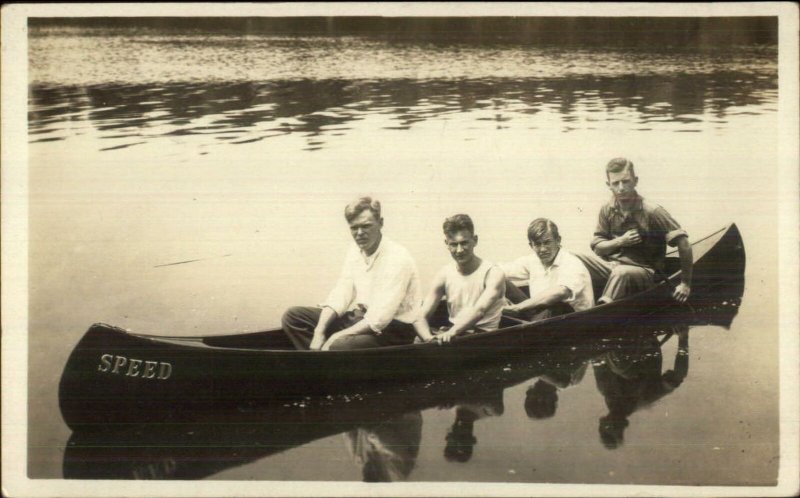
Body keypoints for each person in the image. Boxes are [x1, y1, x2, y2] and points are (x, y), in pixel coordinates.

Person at [281, 196, 421, 351]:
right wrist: (319, 332)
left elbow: (379, 318)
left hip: (393, 331)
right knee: (293, 317)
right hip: (362, 317)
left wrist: (336, 336)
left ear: (380, 223)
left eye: (366, 226)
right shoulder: (355, 249)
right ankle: (322, 364)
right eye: (354, 228)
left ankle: (324, 365)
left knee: (338, 345)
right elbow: (342, 293)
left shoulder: (398, 257)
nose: (359, 233)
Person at [583, 157, 692, 304]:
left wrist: (685, 284)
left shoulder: (652, 211)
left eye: (626, 181)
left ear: (636, 181)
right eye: (616, 183)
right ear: (609, 185)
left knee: (621, 273)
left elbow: (684, 243)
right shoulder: (606, 209)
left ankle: (601, 310)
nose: (621, 187)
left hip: (645, 272)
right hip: (612, 267)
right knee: (576, 258)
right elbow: (598, 248)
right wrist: (621, 241)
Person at [413, 214, 506, 345]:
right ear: (446, 244)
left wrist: (452, 333)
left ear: (475, 240)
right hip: (456, 334)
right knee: (419, 339)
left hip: (482, 338)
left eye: (464, 243)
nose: (459, 250)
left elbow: (479, 311)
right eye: (454, 244)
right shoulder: (444, 273)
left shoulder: (493, 273)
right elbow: (419, 317)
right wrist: (428, 339)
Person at [502, 218, 594, 321]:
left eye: (547, 242)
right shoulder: (532, 261)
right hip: (542, 316)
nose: (543, 249)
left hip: (575, 322)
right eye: (537, 244)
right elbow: (500, 270)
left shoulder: (572, 263)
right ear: (531, 245)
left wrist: (518, 307)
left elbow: (560, 292)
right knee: (498, 278)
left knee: (557, 305)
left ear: (558, 240)